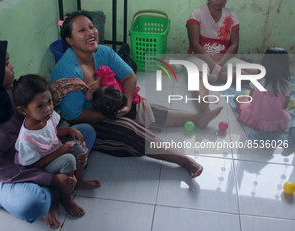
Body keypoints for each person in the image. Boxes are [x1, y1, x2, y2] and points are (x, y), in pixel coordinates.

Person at [51, 11, 225, 178]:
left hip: (108, 104)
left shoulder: (103, 52)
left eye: (91, 27)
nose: (90, 33)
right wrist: (110, 115)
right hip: (84, 122)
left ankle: (197, 118)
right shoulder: (68, 72)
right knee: (130, 129)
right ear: (69, 40)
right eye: (82, 30)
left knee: (142, 108)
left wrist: (126, 104)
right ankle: (182, 160)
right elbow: (74, 115)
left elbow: (129, 77)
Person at [0, 39, 96, 229]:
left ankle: (56, 184)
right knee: (32, 203)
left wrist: (62, 139)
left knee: (85, 132)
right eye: (5, 64)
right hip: (0, 175)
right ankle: (54, 189)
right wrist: (51, 178)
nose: (12, 67)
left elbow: (39, 127)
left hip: (34, 152)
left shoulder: (7, 94)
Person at [13, 74, 101, 217]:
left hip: (54, 153)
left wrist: (69, 130)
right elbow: (30, 167)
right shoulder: (26, 139)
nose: (48, 108)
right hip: (42, 167)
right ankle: (65, 198)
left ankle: (78, 181)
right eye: (40, 106)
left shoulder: (47, 116)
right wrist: (59, 152)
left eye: (49, 101)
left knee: (79, 145)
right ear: (23, 111)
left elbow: (53, 132)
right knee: (68, 159)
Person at [186, 0, 254, 111]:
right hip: (200, 57)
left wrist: (219, 65)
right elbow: (194, 44)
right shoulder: (197, 13)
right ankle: (204, 107)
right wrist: (212, 65)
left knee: (255, 72)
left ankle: (217, 77)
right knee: (199, 77)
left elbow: (234, 45)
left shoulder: (232, 16)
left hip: (222, 59)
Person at [235, 47, 292, 132]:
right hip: (275, 121)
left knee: (237, 98)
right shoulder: (288, 85)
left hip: (255, 118)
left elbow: (251, 100)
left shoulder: (258, 80)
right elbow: (284, 106)